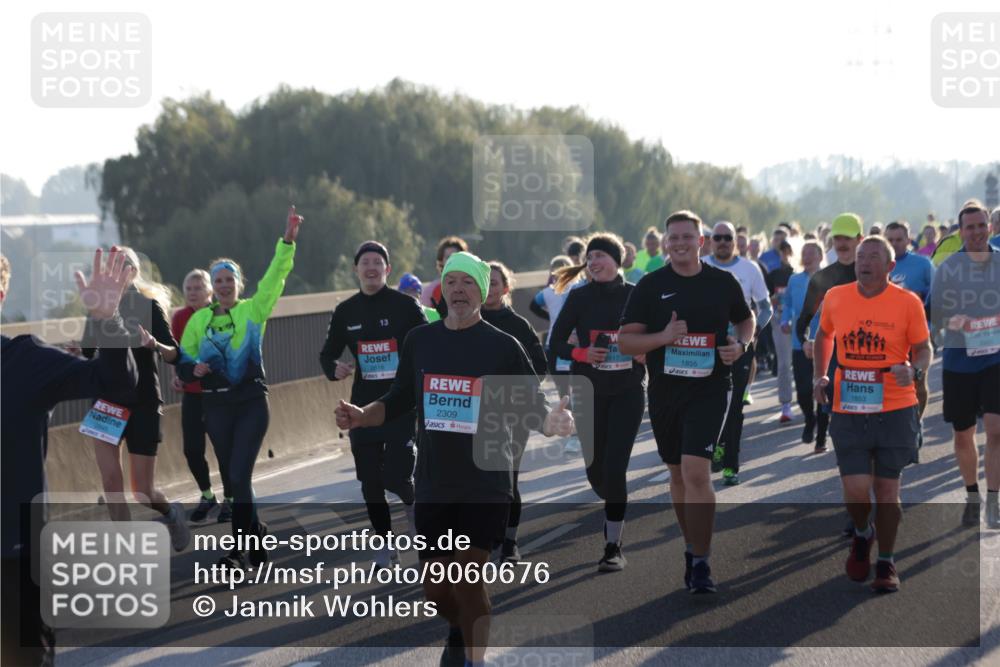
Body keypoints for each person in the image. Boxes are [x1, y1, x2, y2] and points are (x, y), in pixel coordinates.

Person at [335, 251, 574, 667]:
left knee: (467, 579)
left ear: (481, 291)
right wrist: (362, 416)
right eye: (451, 282)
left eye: (467, 283)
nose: (458, 290)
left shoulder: (503, 346)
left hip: (486, 479)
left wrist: (553, 423)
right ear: (441, 290)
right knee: (436, 590)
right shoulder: (420, 341)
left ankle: (475, 659)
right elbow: (398, 399)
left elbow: (531, 407)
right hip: (434, 479)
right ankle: (458, 629)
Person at [2, 249, 138, 667]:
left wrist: (106, 321)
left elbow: (114, 383)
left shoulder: (23, 361)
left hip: (14, 558)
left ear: (2, 290)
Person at [619, 210, 754, 594]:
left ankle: (702, 561)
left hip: (711, 387)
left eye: (687, 237)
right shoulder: (649, 285)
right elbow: (626, 342)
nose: (680, 243)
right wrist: (663, 337)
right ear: (666, 243)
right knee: (677, 474)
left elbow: (746, 320)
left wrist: (741, 345)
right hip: (665, 392)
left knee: (697, 472)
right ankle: (691, 545)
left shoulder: (722, 282)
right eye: (673, 237)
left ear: (702, 242)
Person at [178, 205, 303, 569]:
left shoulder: (253, 311)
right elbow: (183, 360)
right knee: (236, 480)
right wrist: (193, 369)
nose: (223, 285)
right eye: (218, 280)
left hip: (250, 402)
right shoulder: (199, 320)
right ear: (212, 288)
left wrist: (288, 242)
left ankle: (237, 550)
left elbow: (275, 277)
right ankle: (257, 535)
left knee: (237, 475)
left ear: (238, 284)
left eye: (229, 279)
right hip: (214, 407)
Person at [813, 236, 931, 593]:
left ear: (890, 266)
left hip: (895, 405)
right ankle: (863, 532)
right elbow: (823, 336)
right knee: (856, 490)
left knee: (887, 489)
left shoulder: (908, 303)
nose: (865, 262)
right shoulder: (836, 297)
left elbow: (923, 348)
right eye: (861, 257)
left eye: (874, 257)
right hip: (848, 406)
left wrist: (916, 371)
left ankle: (887, 560)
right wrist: (820, 373)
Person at [320, 241, 427, 567]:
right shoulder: (346, 311)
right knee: (370, 482)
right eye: (364, 262)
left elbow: (427, 343)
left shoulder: (405, 306)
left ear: (387, 269)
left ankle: (412, 509)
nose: (370, 267)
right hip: (362, 407)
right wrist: (333, 369)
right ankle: (385, 544)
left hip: (400, 404)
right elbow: (327, 354)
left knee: (396, 476)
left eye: (377, 262)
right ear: (356, 270)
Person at [80, 247, 190, 550]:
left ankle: (170, 513)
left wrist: (155, 344)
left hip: (142, 402)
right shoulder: (97, 307)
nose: (118, 270)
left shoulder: (148, 306)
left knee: (142, 492)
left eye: (124, 264)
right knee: (111, 485)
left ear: (133, 272)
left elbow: (174, 354)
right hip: (106, 402)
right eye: (113, 265)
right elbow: (89, 352)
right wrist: (75, 351)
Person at [549, 233, 646, 571]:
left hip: (628, 391)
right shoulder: (579, 297)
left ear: (617, 260)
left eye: (601, 256)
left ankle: (612, 546)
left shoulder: (635, 295)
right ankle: (613, 502)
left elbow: (653, 337)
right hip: (589, 392)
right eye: (590, 257)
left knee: (615, 468)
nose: (594, 262)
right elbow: (555, 345)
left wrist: (645, 351)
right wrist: (583, 353)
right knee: (596, 473)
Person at [927, 201, 1000, 528]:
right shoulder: (949, 268)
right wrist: (952, 321)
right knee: (963, 435)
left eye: (981, 225)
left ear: (990, 226)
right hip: (959, 362)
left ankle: (994, 502)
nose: (977, 232)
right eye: (970, 227)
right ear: (961, 232)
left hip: (996, 359)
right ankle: (973, 496)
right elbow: (934, 315)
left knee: (997, 431)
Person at [482, 261, 548, 562]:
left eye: (495, 283)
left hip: (513, 412)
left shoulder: (519, 325)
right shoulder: (464, 322)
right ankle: (486, 538)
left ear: (505, 288)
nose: (489, 288)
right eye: (484, 282)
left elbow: (540, 366)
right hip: (473, 415)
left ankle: (509, 541)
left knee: (508, 478)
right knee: (479, 477)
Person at [703, 221, 773, 485]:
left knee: (734, 408)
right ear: (710, 241)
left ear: (735, 241)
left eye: (727, 238)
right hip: (705, 349)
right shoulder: (701, 267)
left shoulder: (749, 269)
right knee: (708, 404)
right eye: (717, 237)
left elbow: (765, 308)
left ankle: (731, 465)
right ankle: (716, 444)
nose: (722, 242)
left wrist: (752, 335)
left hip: (738, 347)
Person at [172, 269, 232, 523]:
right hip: (193, 394)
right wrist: (179, 374)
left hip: (218, 393)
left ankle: (230, 499)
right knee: (192, 450)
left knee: (223, 449)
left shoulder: (221, 314)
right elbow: (179, 353)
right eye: (188, 289)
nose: (193, 293)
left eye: (198, 288)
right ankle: (207, 495)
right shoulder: (179, 318)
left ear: (209, 292)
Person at [782, 240, 829, 449]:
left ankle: (821, 434)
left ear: (820, 256)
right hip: (799, 342)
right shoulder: (794, 280)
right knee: (802, 390)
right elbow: (788, 305)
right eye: (804, 253)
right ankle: (810, 419)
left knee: (822, 386)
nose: (807, 256)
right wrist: (785, 321)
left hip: (825, 340)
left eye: (811, 253)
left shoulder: (830, 279)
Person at [770, 240, 796, 422]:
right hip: (780, 321)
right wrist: (773, 299)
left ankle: (812, 400)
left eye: (788, 250)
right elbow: (764, 299)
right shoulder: (773, 274)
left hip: (804, 322)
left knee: (809, 363)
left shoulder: (801, 274)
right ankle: (786, 405)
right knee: (784, 364)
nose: (785, 254)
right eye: (782, 251)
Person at [886, 221, 935, 302]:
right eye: (890, 240)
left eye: (899, 240)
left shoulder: (924, 263)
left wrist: (921, 294)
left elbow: (940, 287)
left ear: (908, 241)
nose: (894, 244)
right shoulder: (877, 265)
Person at [421, 236, 468, 314]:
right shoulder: (430, 291)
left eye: (455, 256)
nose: (452, 260)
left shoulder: (473, 287)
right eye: (448, 257)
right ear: (441, 261)